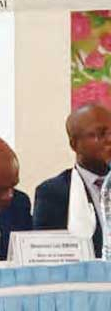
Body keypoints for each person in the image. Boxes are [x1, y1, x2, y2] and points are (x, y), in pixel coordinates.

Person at [33, 103, 111, 255]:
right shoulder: (53, 193)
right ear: (74, 144)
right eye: (100, 134)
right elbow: (47, 254)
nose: (109, 140)